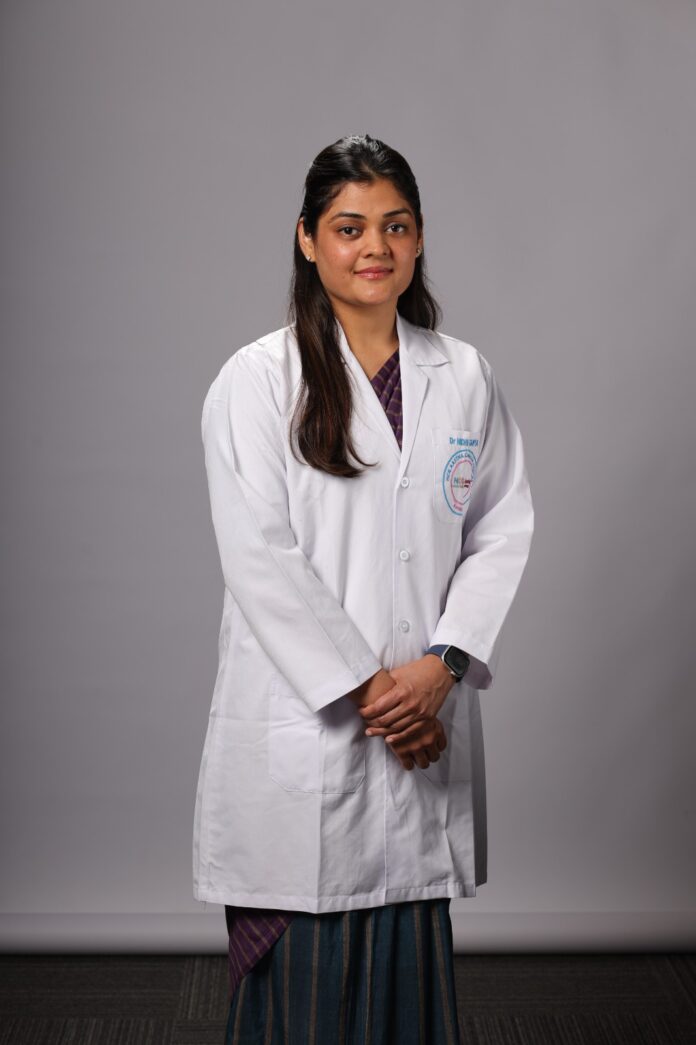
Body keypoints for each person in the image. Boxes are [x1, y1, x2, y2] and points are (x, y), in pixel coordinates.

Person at [193, 133, 535, 1044]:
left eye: (396, 225)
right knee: (304, 998)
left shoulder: (463, 376)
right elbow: (261, 558)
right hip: (315, 731)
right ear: (308, 239)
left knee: (407, 988)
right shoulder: (257, 381)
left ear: (419, 239)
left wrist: (442, 666)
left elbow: (500, 529)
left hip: (426, 708)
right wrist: (386, 696)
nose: (374, 246)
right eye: (349, 227)